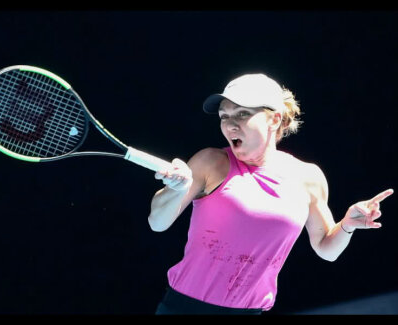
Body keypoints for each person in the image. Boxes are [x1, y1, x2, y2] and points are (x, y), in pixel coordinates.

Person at [148, 73, 394, 315]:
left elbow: (326, 249)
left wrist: (347, 225)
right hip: (184, 309)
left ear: (274, 119)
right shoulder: (211, 162)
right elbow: (157, 223)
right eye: (224, 116)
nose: (230, 124)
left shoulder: (308, 177)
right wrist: (174, 190)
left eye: (243, 113)